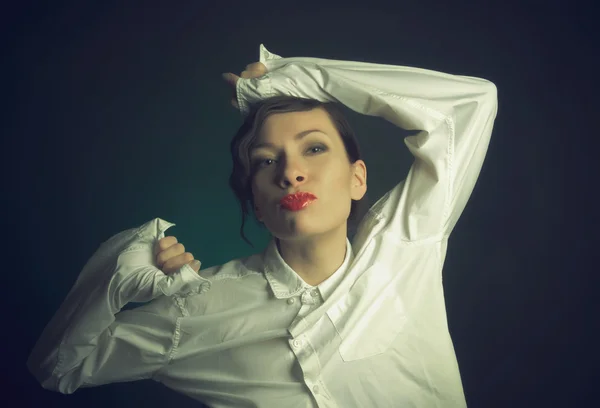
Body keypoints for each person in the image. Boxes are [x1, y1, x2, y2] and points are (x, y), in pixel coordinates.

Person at [27, 44, 498, 407]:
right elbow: (60, 369)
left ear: (358, 180)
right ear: (255, 201)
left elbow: (471, 104)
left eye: (314, 148)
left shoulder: (404, 244)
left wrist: (298, 78)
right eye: (266, 160)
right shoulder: (198, 307)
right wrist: (114, 276)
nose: (290, 173)